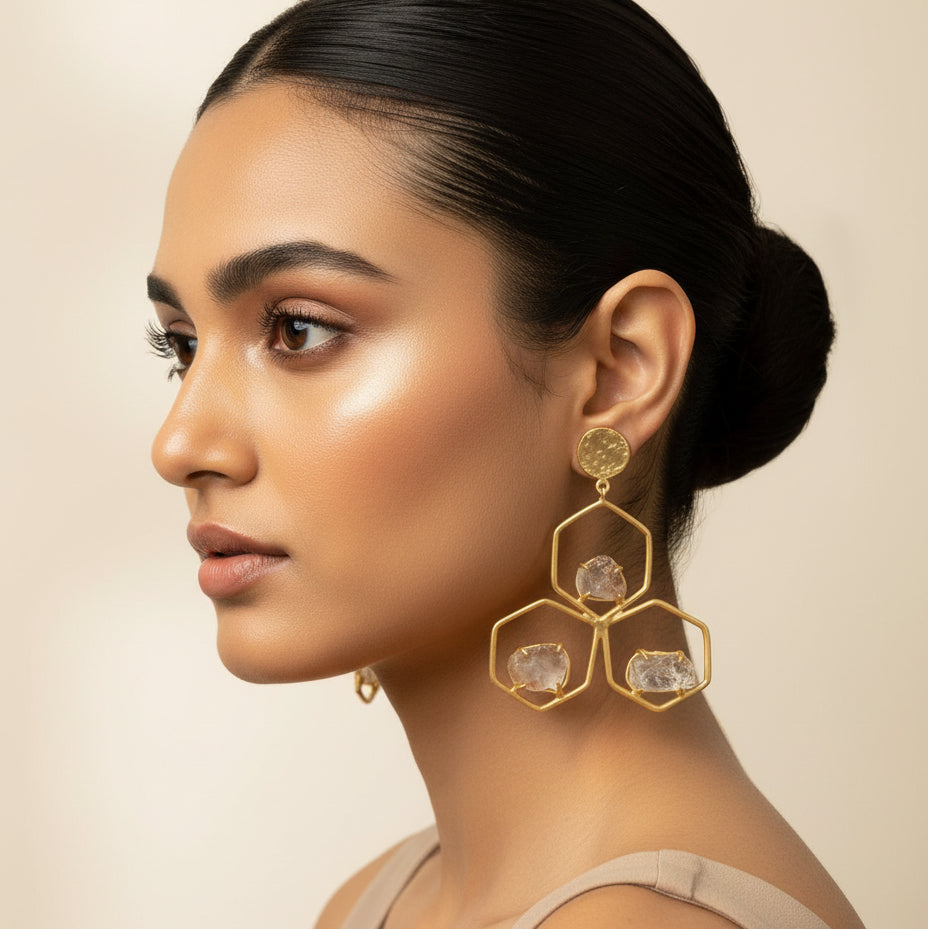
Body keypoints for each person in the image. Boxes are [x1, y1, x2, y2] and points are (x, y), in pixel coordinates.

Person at [146, 1, 865, 926]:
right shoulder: (376, 901)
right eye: (180, 344)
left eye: (298, 329)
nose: (179, 443)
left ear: (618, 372)